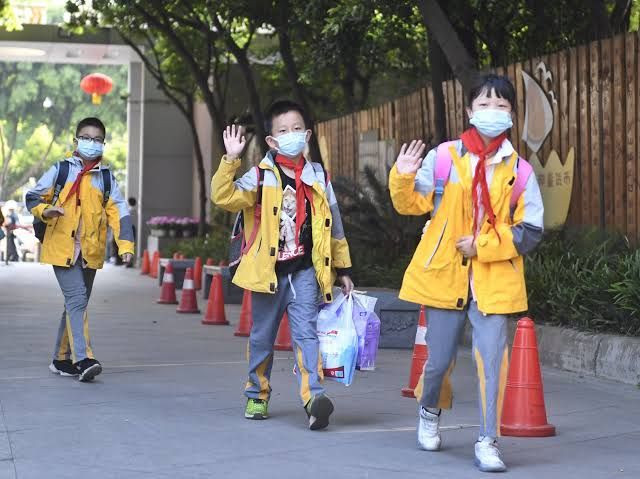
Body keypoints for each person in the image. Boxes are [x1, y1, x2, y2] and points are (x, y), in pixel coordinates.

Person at [389, 74, 544, 472]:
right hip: (444, 274)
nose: (492, 112)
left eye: (501, 106)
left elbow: (531, 229)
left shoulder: (520, 170)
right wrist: (403, 176)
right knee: (438, 361)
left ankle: (488, 440)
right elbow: (413, 204)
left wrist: (484, 247)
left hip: (495, 280)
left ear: (512, 114)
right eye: (484, 105)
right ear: (469, 111)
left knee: (493, 363)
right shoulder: (443, 157)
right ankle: (429, 411)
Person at [211, 100, 354, 430]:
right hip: (268, 274)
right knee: (262, 337)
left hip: (305, 272)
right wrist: (230, 159)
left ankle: (313, 398)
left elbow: (334, 224)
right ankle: (257, 394)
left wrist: (343, 269)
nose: (291, 135)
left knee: (307, 335)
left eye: (296, 129)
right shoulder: (260, 176)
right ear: (272, 141)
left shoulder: (318, 175)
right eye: (282, 131)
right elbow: (224, 197)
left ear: (307, 135)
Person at [26, 117, 135, 382]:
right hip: (62, 248)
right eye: (86, 138)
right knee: (76, 300)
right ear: (76, 141)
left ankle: (60, 359)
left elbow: (119, 212)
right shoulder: (60, 170)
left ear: (104, 144)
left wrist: (126, 245)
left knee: (76, 303)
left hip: (90, 252)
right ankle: (84, 358)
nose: (92, 143)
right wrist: (45, 210)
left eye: (97, 140)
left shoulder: (106, 178)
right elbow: (32, 197)